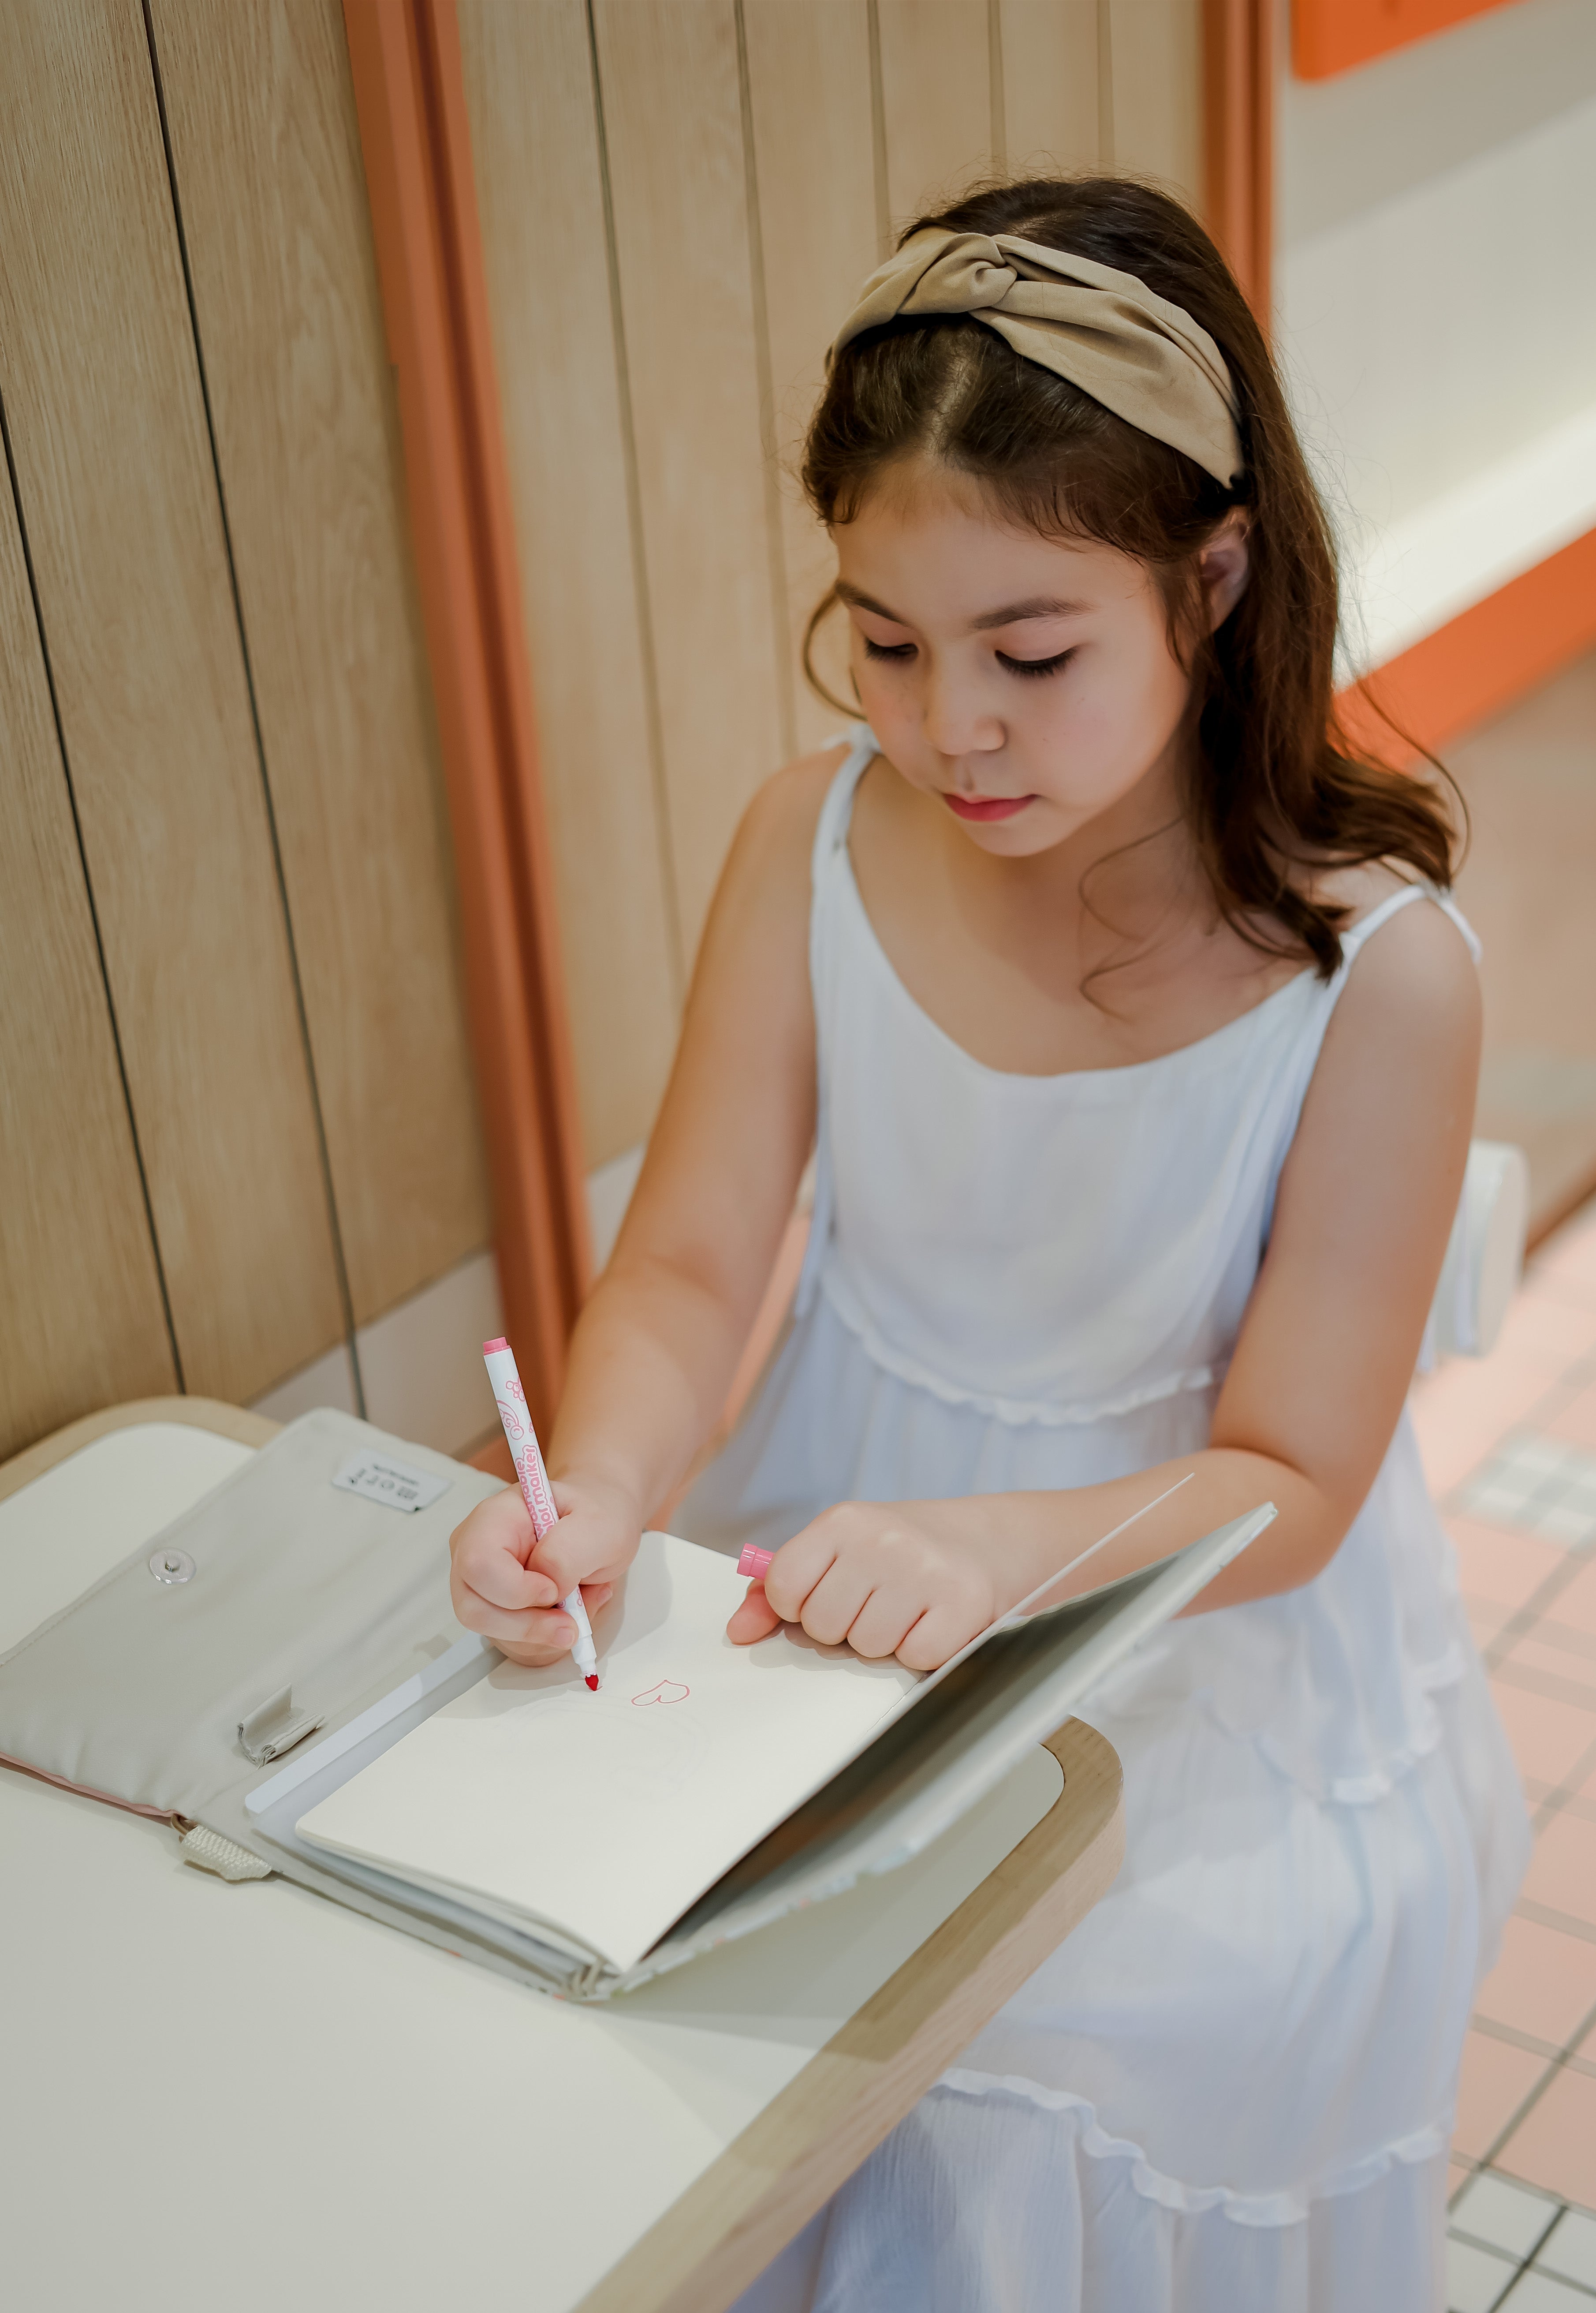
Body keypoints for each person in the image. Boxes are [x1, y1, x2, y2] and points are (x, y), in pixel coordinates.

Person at [447, 176, 1529, 2309]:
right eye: (884, 637)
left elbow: (1294, 1479)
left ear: (1208, 582)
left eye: (1031, 652)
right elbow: (680, 1271)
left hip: (1175, 1604)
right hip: (821, 1553)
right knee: (671, 1992)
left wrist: (991, 1555)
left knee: (1035, 2025)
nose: (948, 725)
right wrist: (601, 1485)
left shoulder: (1374, 977)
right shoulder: (812, 839)